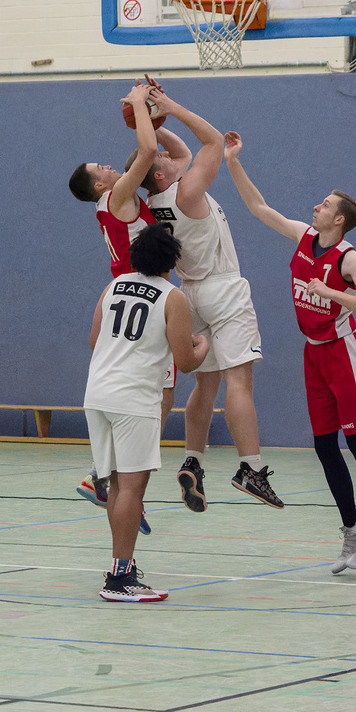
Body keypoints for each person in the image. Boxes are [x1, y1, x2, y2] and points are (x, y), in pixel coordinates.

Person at [224, 130, 356, 572]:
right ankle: (352, 532)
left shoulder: (349, 259)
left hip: (343, 351)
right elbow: (260, 208)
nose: (316, 207)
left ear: (338, 221)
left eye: (325, 206)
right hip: (312, 354)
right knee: (323, 446)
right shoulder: (302, 237)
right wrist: (233, 162)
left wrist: (334, 295)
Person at [128, 88, 283, 512]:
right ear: (160, 175)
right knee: (239, 382)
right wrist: (172, 107)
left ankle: (193, 460)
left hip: (191, 292)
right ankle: (250, 467)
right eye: (159, 158)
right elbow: (211, 142)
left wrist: (154, 114)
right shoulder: (185, 193)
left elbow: (175, 150)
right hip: (223, 287)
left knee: (206, 383)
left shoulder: (160, 198)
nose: (166, 153)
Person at [69, 79, 182, 524]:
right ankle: (112, 479)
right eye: (103, 166)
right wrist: (139, 107)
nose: (111, 165)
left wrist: (155, 116)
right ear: (99, 184)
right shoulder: (115, 197)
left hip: (124, 291)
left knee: (162, 391)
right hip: (142, 293)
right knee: (160, 390)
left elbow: (147, 156)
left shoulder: (124, 199)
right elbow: (148, 154)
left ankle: (107, 477)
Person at [84, 223, 209, 601]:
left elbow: (94, 339)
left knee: (118, 487)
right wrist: (202, 344)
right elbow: (185, 361)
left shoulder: (114, 285)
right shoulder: (172, 297)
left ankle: (121, 566)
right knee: (133, 488)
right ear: (172, 260)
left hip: (97, 393)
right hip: (134, 398)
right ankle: (119, 578)